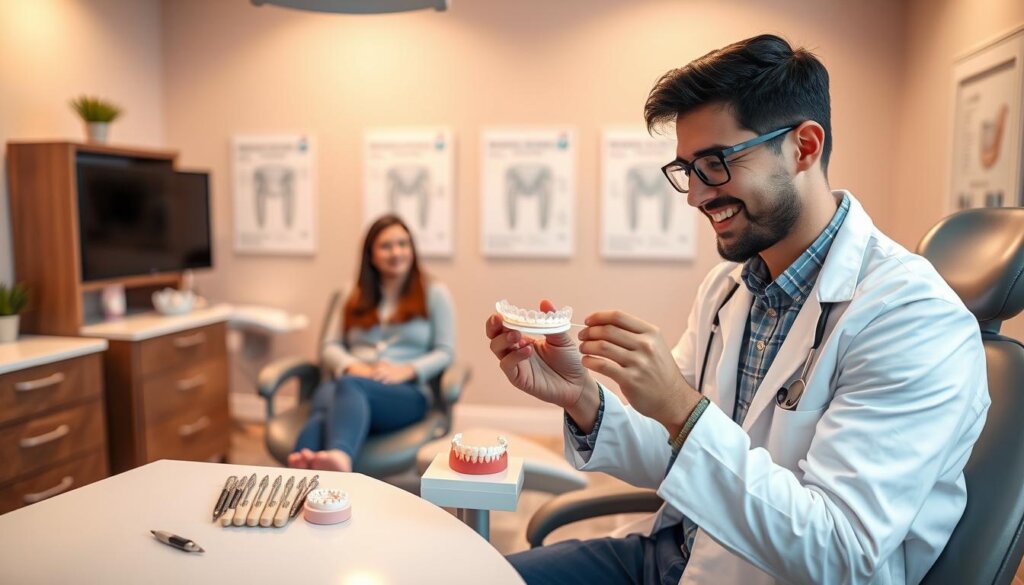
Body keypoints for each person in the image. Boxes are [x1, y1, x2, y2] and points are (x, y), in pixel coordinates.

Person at [486, 34, 989, 585]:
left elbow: (841, 553)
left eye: (716, 163)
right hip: (675, 555)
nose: (695, 196)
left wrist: (681, 408)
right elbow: (670, 452)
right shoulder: (730, 287)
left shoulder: (913, 321)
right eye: (686, 170)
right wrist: (581, 395)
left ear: (803, 146)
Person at [290, 214, 455, 472]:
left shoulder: (434, 292)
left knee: (337, 393)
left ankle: (339, 458)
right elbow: (329, 346)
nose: (396, 252)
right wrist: (352, 366)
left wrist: (408, 370)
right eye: (386, 246)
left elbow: (445, 352)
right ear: (371, 255)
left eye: (403, 244)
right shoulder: (351, 293)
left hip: (404, 393)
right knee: (329, 400)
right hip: (350, 383)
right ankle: (300, 471)